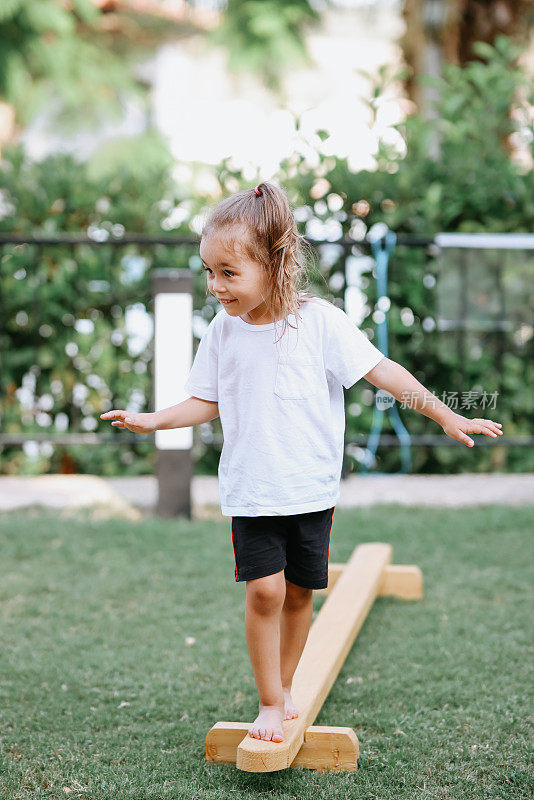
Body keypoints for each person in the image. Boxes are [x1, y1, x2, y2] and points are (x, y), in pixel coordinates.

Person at [100, 181, 503, 744]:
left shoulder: (321, 324)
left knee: (297, 593)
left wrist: (443, 414)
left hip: (310, 489)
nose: (215, 286)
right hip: (252, 490)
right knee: (264, 591)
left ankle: (287, 685)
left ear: (275, 262)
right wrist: (153, 419)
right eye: (208, 271)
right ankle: (269, 700)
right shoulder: (223, 331)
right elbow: (207, 400)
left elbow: (382, 372)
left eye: (228, 273)